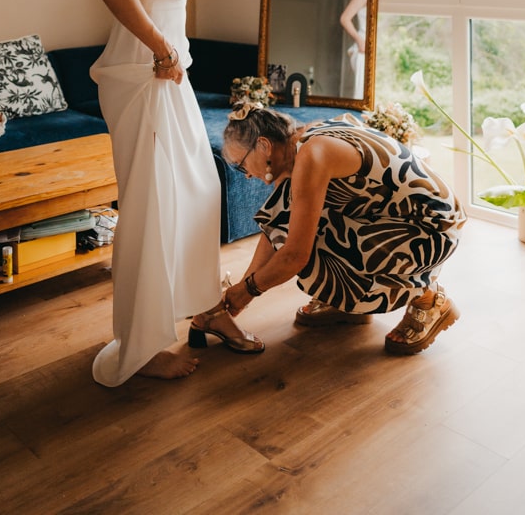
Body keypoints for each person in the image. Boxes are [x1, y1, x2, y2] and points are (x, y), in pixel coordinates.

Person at [90, 0, 257, 386]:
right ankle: (140, 346)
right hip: (147, 73)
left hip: (165, 73)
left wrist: (168, 55)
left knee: (198, 190)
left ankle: (203, 308)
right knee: (151, 208)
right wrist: (161, 48)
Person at [188, 102, 466, 356]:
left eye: (241, 165)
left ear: (263, 145)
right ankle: (346, 305)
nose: (247, 174)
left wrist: (246, 292)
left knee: (319, 249)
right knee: (290, 207)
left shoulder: (314, 155)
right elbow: (277, 225)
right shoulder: (304, 141)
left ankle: (430, 299)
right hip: (403, 216)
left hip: (432, 229)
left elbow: (294, 256)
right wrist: (243, 289)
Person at [340, 0, 367, 98]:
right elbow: (345, 18)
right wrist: (360, 41)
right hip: (363, 49)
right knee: (362, 94)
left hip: (379, 50)